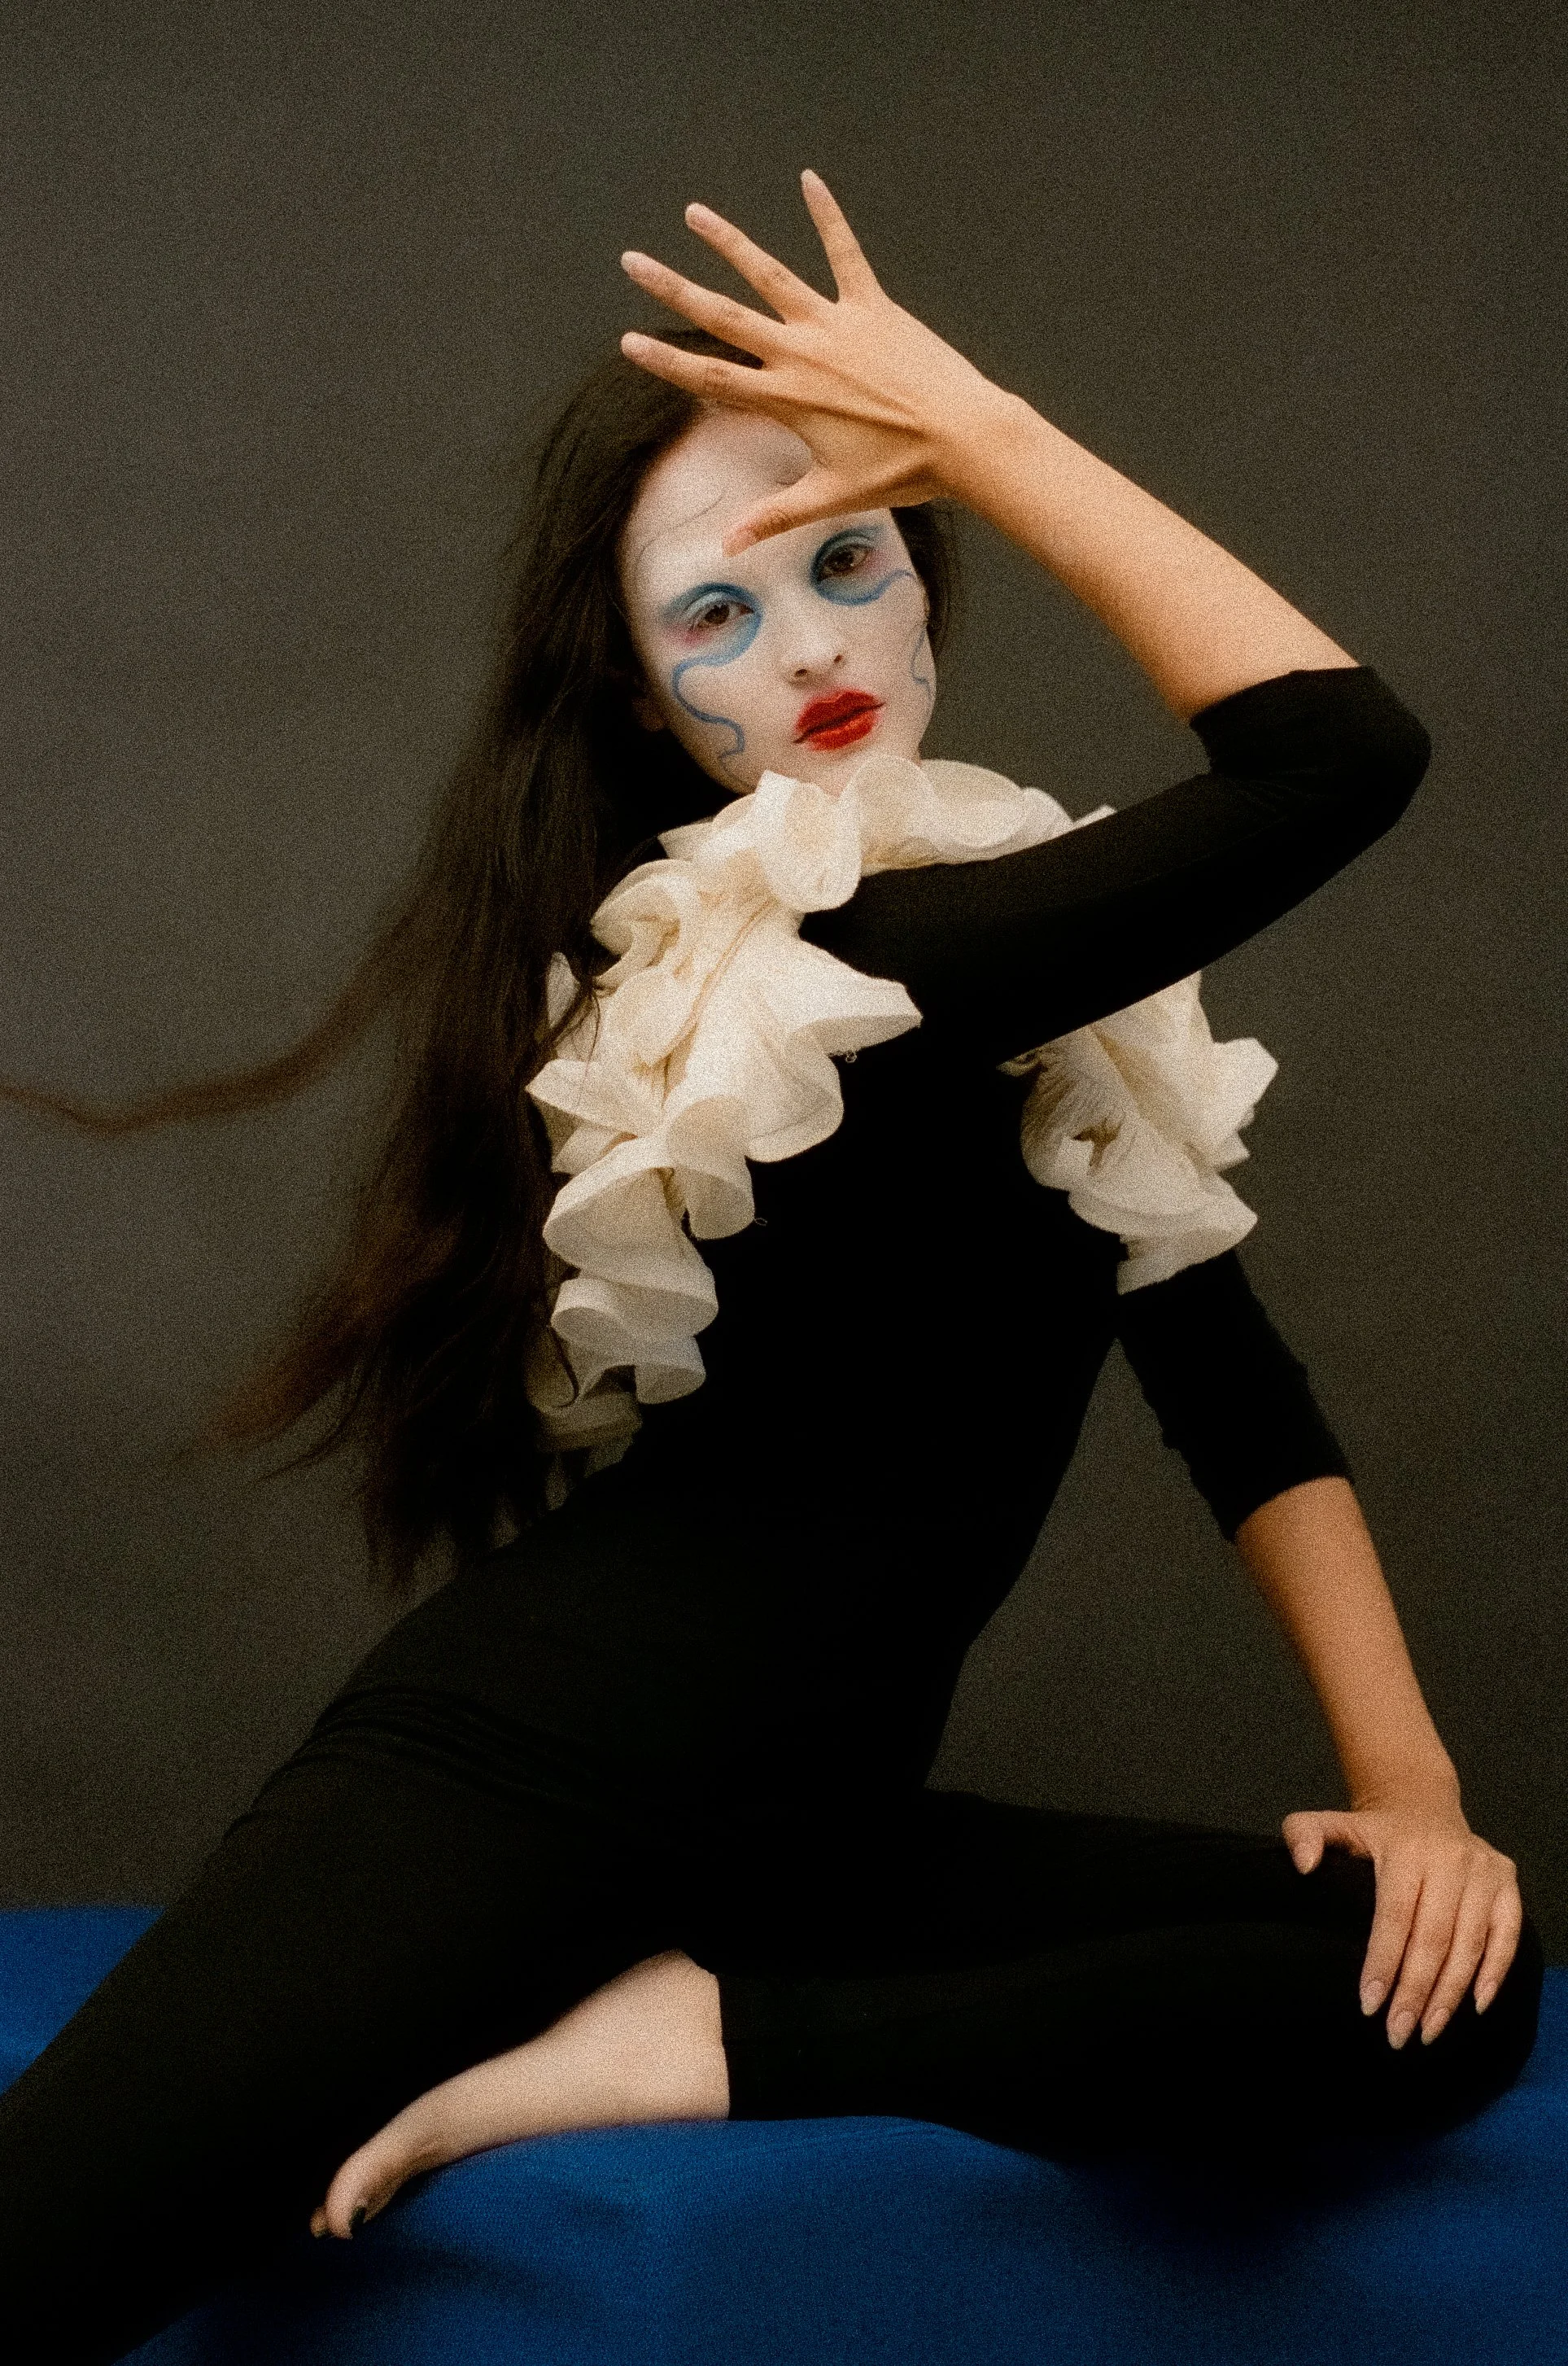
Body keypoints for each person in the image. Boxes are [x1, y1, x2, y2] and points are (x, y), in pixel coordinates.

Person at [0, 173, 1540, 2364]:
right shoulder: (834, 964)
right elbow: (1335, 750)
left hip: (808, 1852)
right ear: (640, 703)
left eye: (851, 552)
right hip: (526, 1773)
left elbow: (1228, 1383)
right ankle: (660, 2008)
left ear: (922, 584)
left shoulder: (1025, 934)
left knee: (1434, 1989)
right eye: (715, 614)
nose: (813, 645)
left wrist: (1413, 1807)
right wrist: (981, 423)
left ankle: (690, 2034)